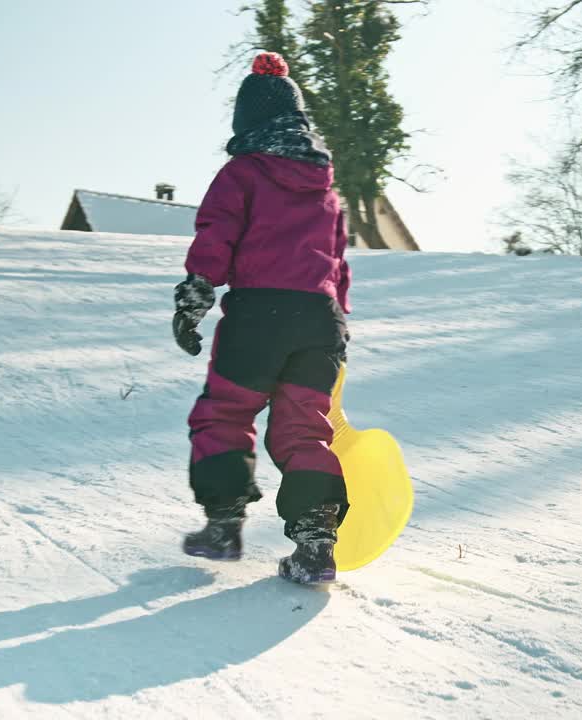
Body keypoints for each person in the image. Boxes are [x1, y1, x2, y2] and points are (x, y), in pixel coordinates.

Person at [174, 52, 352, 585]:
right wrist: (337, 330)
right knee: (304, 432)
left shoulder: (242, 173)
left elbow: (216, 236)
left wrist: (195, 295)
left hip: (258, 316)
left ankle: (225, 525)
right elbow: (338, 265)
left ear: (247, 122)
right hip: (320, 322)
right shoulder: (327, 190)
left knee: (225, 413)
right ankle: (316, 543)